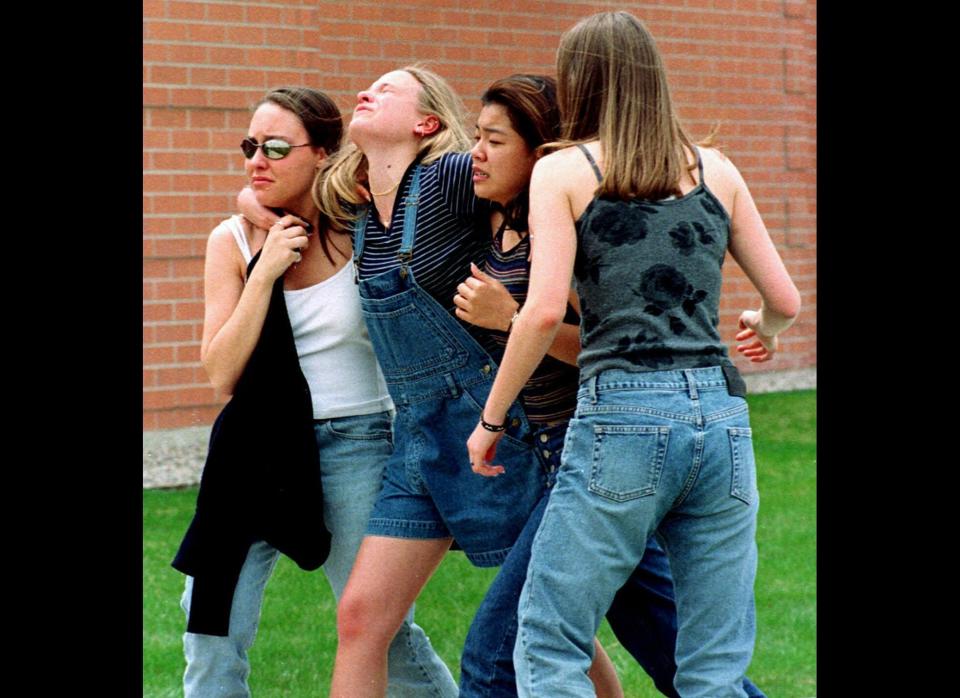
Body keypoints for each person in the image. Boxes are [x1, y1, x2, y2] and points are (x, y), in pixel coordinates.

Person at [466, 11, 801, 698]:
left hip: (623, 417)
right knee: (713, 667)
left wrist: (491, 421)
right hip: (722, 420)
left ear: (580, 82)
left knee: (549, 639)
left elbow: (537, 314)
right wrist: (762, 327)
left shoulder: (562, 171)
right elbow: (786, 300)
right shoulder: (717, 169)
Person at [171, 86, 457, 698]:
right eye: (250, 146)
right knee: (209, 634)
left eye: (276, 147)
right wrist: (265, 269)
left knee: (382, 630)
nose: (256, 161)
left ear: (324, 153)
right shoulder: (234, 241)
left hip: (357, 443)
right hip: (251, 451)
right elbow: (222, 372)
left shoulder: (362, 230)